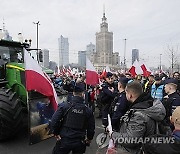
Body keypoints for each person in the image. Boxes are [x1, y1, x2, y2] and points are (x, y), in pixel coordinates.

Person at [116, 81, 166, 153]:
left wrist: (112, 134)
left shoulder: (138, 115)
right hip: (150, 146)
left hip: (139, 150)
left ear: (130, 95)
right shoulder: (150, 103)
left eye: (126, 93)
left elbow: (131, 140)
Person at [50, 82, 95, 154]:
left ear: (73, 93)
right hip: (79, 141)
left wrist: (56, 133)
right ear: (83, 94)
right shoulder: (88, 110)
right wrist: (89, 138)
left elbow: (54, 121)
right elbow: (91, 127)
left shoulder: (64, 106)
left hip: (65, 139)